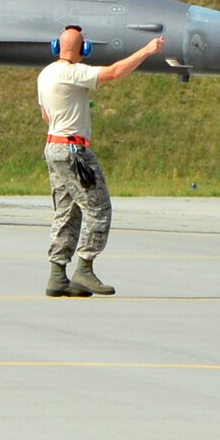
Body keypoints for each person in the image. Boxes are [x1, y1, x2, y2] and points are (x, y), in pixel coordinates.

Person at [37, 25, 165, 297]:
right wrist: (147, 49)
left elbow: (46, 116)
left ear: (56, 47)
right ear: (83, 49)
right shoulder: (73, 72)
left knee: (66, 211)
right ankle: (85, 267)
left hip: (54, 147)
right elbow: (115, 72)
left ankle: (57, 275)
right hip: (74, 152)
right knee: (98, 207)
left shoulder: (45, 74)